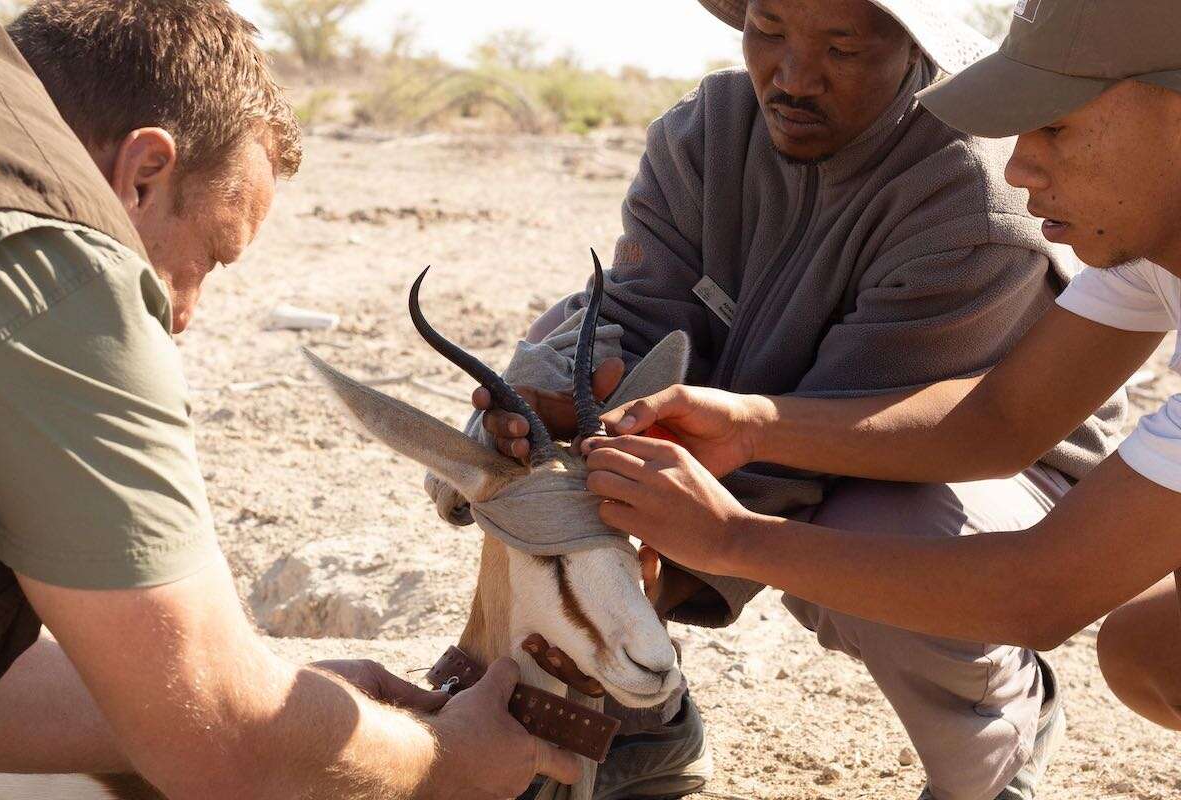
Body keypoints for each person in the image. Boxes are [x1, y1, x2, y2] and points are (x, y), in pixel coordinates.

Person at [452, 1, 1125, 797]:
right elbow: (637, 312)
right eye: (769, 29)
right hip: (753, 424)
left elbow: (864, 425)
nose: (794, 76)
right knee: (558, 408)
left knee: (882, 527)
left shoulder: (974, 196)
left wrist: (663, 568)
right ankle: (641, 731)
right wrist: (563, 404)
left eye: (841, 45)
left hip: (964, 466)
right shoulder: (705, 129)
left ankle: (992, 740)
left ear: (915, 48)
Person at [0, 2, 579, 797]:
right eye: (206, 260)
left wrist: (288, 697)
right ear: (143, 176)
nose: (183, 316)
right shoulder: (59, 265)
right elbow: (223, 739)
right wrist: (447, 760)